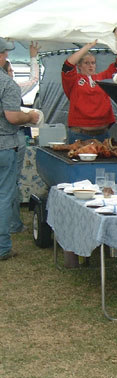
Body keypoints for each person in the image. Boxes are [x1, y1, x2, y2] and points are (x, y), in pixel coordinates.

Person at [0, 37, 40, 261]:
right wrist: (30, 117)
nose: (6, 56)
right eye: (4, 53)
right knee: (4, 195)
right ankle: (2, 246)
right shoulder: (7, 84)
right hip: (4, 144)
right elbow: (13, 117)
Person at [62, 30, 117, 143]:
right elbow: (68, 65)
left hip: (102, 134)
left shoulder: (103, 78)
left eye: (93, 63)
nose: (90, 66)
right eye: (86, 63)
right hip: (80, 135)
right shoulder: (74, 80)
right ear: (79, 66)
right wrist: (87, 47)